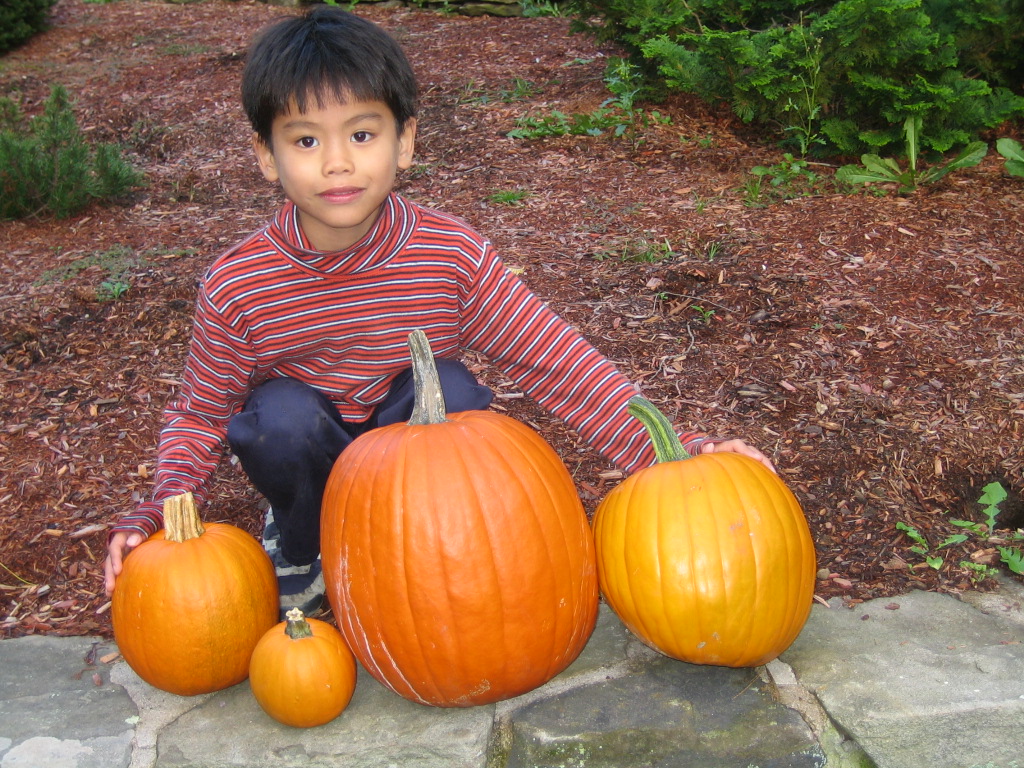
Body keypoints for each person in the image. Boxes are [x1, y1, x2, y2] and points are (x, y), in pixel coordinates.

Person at [103, 5, 774, 615]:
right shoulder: (240, 284)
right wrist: (163, 510)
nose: (337, 163)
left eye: (362, 134)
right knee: (276, 416)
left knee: (450, 390)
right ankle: (303, 549)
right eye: (306, 141)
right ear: (266, 157)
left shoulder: (448, 256)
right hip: (313, 451)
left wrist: (671, 454)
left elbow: (553, 358)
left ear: (405, 142)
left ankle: (411, 557)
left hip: (413, 469)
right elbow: (199, 411)